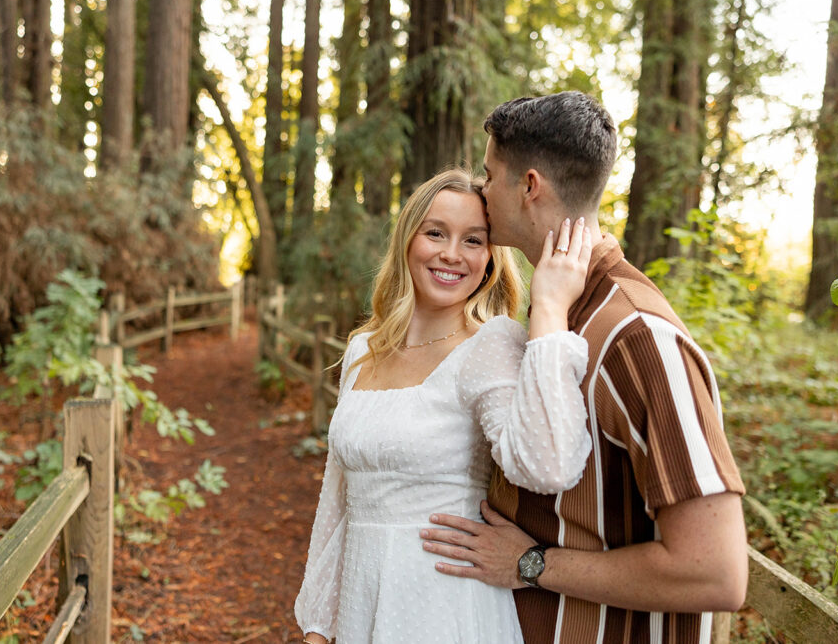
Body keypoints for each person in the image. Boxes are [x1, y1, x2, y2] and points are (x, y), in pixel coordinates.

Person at [419, 93, 748, 643]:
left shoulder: (638, 337)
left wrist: (532, 564)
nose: (480, 188)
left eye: (488, 173)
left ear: (528, 187)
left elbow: (715, 571)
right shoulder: (563, 308)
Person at [295, 167, 597, 643]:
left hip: (445, 606)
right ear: (407, 240)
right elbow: (337, 504)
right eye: (436, 232)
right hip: (360, 606)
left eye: (474, 241)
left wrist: (552, 309)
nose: (451, 254)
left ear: (491, 259)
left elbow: (548, 465)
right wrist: (317, 627)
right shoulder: (363, 350)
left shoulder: (491, 346)